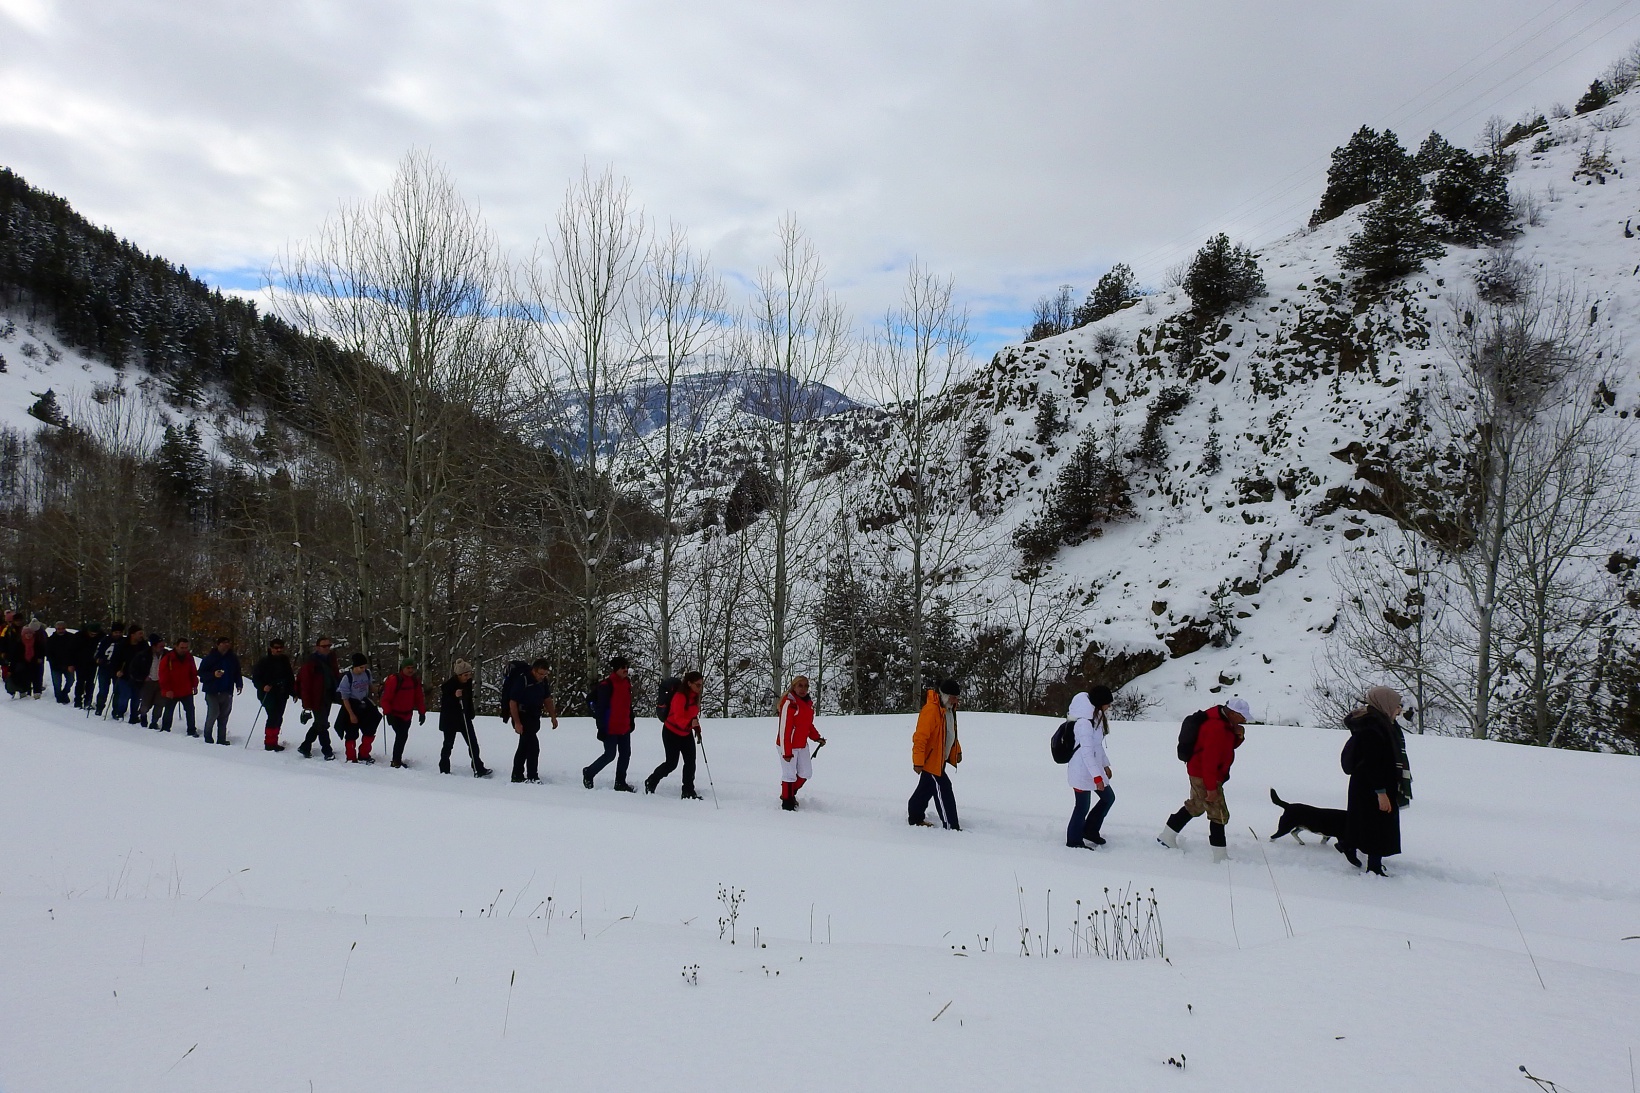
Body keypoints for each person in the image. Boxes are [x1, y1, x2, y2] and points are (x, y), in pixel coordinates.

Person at [1157, 696, 1250, 862]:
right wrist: (1211, 788)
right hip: (1205, 774)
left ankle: (1167, 835)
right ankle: (1220, 857)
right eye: (1243, 716)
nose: (1245, 720)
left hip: (1203, 772)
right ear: (1234, 713)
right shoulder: (1216, 727)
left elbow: (1226, 747)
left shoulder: (1225, 724)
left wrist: (1239, 737)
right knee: (1219, 813)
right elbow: (1209, 759)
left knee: (1197, 805)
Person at [1339, 686, 1411, 877]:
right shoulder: (1372, 727)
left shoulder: (1383, 723)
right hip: (1371, 784)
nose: (1399, 709)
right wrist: (1381, 793)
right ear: (1385, 703)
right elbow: (1372, 762)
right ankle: (1372, 864)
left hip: (1374, 782)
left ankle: (1354, 848)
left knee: (1372, 823)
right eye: (1397, 705)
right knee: (1377, 824)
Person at [908, 679, 964, 830]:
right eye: (953, 697)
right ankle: (951, 825)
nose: (956, 700)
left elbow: (950, 734)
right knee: (944, 788)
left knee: (925, 788)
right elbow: (920, 738)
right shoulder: (931, 711)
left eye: (957, 697)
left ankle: (915, 816)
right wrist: (918, 761)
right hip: (931, 761)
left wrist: (956, 751)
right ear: (945, 695)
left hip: (940, 759)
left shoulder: (949, 710)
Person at [1065, 687, 1115, 850]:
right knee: (1082, 806)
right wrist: (1097, 777)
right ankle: (1074, 841)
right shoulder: (1083, 723)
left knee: (1108, 798)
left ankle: (1090, 830)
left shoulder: (1096, 717)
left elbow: (1097, 746)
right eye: (1107, 704)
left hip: (1093, 768)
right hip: (1081, 770)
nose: (1108, 707)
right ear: (1100, 703)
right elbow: (1086, 752)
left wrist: (1105, 765)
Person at [645, 671, 703, 798]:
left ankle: (688, 790)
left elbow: (692, 714)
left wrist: (696, 727)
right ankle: (651, 781)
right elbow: (678, 718)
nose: (700, 688)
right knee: (671, 764)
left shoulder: (694, 696)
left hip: (685, 733)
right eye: (697, 685)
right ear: (689, 683)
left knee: (690, 762)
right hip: (671, 732)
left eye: (701, 685)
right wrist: (691, 724)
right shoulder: (679, 696)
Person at [583, 656, 636, 791]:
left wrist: (631, 720)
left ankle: (620, 782)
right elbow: (601, 709)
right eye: (622, 667)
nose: (625, 670)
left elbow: (627, 704)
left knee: (625, 754)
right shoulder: (607, 685)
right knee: (610, 755)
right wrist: (601, 728)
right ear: (616, 669)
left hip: (624, 726)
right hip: (610, 727)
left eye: (626, 667)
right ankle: (589, 772)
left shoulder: (626, 683)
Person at [777, 675, 825, 811]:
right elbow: (784, 729)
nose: (803, 689)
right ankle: (787, 804)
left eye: (806, 686)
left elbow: (807, 725)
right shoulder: (789, 703)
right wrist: (786, 751)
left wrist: (816, 738)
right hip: (788, 745)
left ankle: (789, 793)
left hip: (802, 744)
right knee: (789, 775)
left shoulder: (807, 704)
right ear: (794, 686)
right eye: (800, 685)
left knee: (806, 773)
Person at [507, 659, 558, 783]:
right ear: (533, 670)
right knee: (533, 747)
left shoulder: (543, 682)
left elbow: (547, 699)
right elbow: (512, 702)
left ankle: (517, 775)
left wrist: (553, 716)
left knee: (524, 747)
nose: (542, 676)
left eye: (545, 674)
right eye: (540, 674)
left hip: (534, 716)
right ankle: (532, 776)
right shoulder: (522, 680)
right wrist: (517, 723)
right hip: (522, 716)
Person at [438, 659, 490, 777]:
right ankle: (444, 768)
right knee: (448, 744)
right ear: (459, 675)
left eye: (469, 674)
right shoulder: (449, 686)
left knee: (473, 743)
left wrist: (470, 713)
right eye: (465, 675)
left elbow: (469, 700)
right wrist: (454, 696)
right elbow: (446, 704)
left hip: (464, 718)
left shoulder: (467, 683)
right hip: (450, 719)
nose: (468, 677)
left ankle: (478, 767)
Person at [295, 637, 340, 760]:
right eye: (324, 646)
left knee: (319, 723)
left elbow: (335, 676)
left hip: (328, 696)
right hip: (316, 698)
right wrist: (307, 703)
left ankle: (305, 746)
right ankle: (327, 751)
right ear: (317, 647)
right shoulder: (311, 664)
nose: (327, 648)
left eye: (328, 646)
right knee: (323, 724)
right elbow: (305, 685)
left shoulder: (331, 660)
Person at [380, 660, 426, 769]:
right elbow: (385, 699)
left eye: (412, 668)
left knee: (403, 736)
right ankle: (396, 761)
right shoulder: (394, 680)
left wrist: (422, 712)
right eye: (408, 668)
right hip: (395, 714)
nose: (410, 670)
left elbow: (419, 697)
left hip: (408, 714)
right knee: (401, 736)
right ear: (402, 668)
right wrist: (388, 713)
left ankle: (397, 759)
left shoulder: (415, 681)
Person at [251, 639, 295, 752]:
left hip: (282, 692)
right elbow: (255, 678)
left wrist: (294, 692)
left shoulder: (284, 660)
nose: (278, 650)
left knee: (278, 717)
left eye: (280, 647)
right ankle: (269, 743)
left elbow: (289, 677)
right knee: (273, 716)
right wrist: (262, 686)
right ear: (271, 648)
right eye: (276, 648)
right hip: (268, 693)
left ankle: (274, 740)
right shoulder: (264, 662)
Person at [336, 653, 381, 763]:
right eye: (361, 667)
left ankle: (364, 753)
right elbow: (345, 698)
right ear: (355, 666)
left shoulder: (367, 673)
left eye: (364, 667)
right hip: (352, 704)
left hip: (364, 703)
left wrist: (378, 691)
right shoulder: (347, 678)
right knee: (351, 732)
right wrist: (351, 714)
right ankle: (351, 757)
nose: (363, 669)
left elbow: (370, 686)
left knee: (371, 726)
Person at [198, 636, 242, 745]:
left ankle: (221, 739)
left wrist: (239, 684)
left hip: (227, 691)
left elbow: (237, 672)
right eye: (223, 643)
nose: (226, 645)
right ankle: (207, 736)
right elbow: (201, 674)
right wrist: (213, 675)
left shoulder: (232, 658)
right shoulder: (210, 658)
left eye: (228, 643)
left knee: (224, 716)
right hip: (212, 691)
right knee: (213, 713)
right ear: (218, 644)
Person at [158, 637, 200, 735]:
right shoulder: (168, 658)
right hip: (172, 691)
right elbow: (163, 675)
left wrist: (194, 685)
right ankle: (165, 730)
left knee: (190, 711)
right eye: (182, 647)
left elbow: (193, 672)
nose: (184, 650)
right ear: (176, 646)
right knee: (169, 711)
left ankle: (191, 730)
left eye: (186, 648)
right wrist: (167, 689)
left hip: (186, 690)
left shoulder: (189, 657)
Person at [113, 626, 148, 723]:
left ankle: (134, 716)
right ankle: (119, 712)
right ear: (132, 635)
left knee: (136, 697)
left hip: (138, 676)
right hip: (124, 674)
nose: (142, 636)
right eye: (139, 633)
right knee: (125, 695)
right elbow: (114, 660)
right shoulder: (122, 645)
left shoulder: (144, 646)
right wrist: (117, 670)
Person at [137, 633, 167, 728]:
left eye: (163, 646)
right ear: (154, 646)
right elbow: (135, 668)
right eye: (160, 646)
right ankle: (143, 716)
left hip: (162, 683)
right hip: (148, 682)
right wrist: (142, 677)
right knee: (146, 703)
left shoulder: (167, 655)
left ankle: (154, 722)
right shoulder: (144, 655)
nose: (162, 648)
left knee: (160, 703)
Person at [93, 622, 124, 714]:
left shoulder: (124, 642)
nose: (117, 634)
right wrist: (97, 658)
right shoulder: (105, 640)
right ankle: (99, 707)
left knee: (117, 691)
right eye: (116, 632)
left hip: (117, 669)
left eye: (120, 632)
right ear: (112, 632)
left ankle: (116, 711)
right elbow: (97, 652)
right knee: (103, 690)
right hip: (104, 668)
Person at [45, 621, 78, 704]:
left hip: (69, 664)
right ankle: (59, 698)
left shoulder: (71, 637)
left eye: (62, 628)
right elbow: (49, 653)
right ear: (56, 629)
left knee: (71, 680)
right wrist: (54, 664)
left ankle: (64, 693)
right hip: (55, 665)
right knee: (57, 684)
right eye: (59, 629)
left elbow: (75, 652)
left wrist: (72, 664)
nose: (61, 630)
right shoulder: (51, 639)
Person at [12, 620, 46, 699]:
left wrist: (40, 658)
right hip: (23, 663)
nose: (28, 635)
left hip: (34, 662)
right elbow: (15, 654)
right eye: (26, 633)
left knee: (36, 676)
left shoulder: (37, 642)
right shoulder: (19, 643)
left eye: (30, 633)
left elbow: (42, 651)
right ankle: (24, 692)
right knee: (24, 677)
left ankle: (37, 692)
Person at [72, 622, 102, 709]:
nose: (93, 635)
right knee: (80, 682)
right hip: (80, 662)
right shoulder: (79, 636)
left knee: (90, 683)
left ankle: (88, 701)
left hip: (93, 663)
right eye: (91, 633)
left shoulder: (101, 637)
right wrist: (72, 663)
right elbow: (72, 650)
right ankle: (78, 701)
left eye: (95, 634)